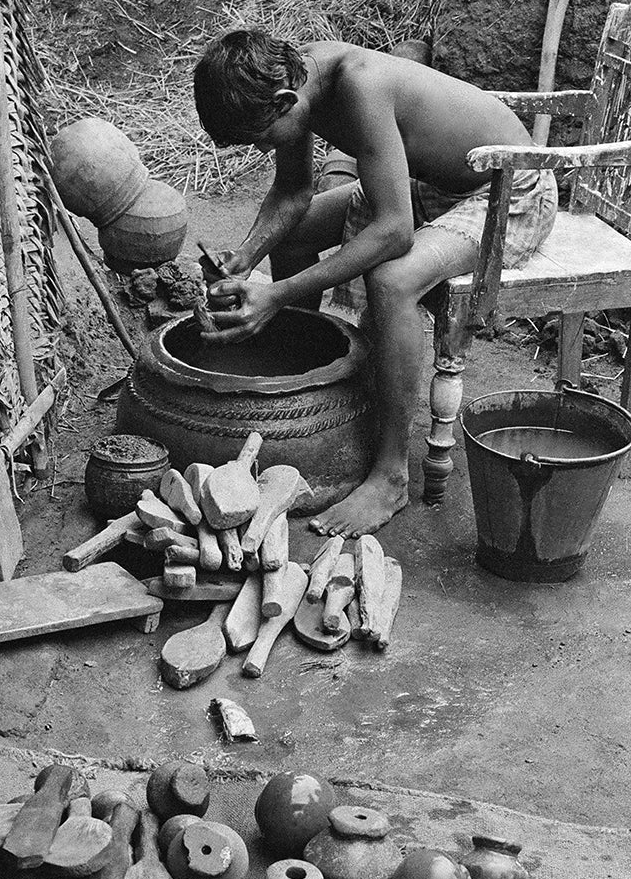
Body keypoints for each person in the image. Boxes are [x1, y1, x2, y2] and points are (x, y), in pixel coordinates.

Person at [193, 29, 558, 538]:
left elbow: (393, 231)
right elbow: (293, 194)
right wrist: (244, 259)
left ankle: (390, 477)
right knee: (291, 234)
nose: (261, 146)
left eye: (260, 137)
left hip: (507, 189)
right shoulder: (295, 79)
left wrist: (275, 294)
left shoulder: (359, 87)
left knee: (391, 280)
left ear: (283, 103)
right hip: (428, 184)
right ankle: (309, 381)